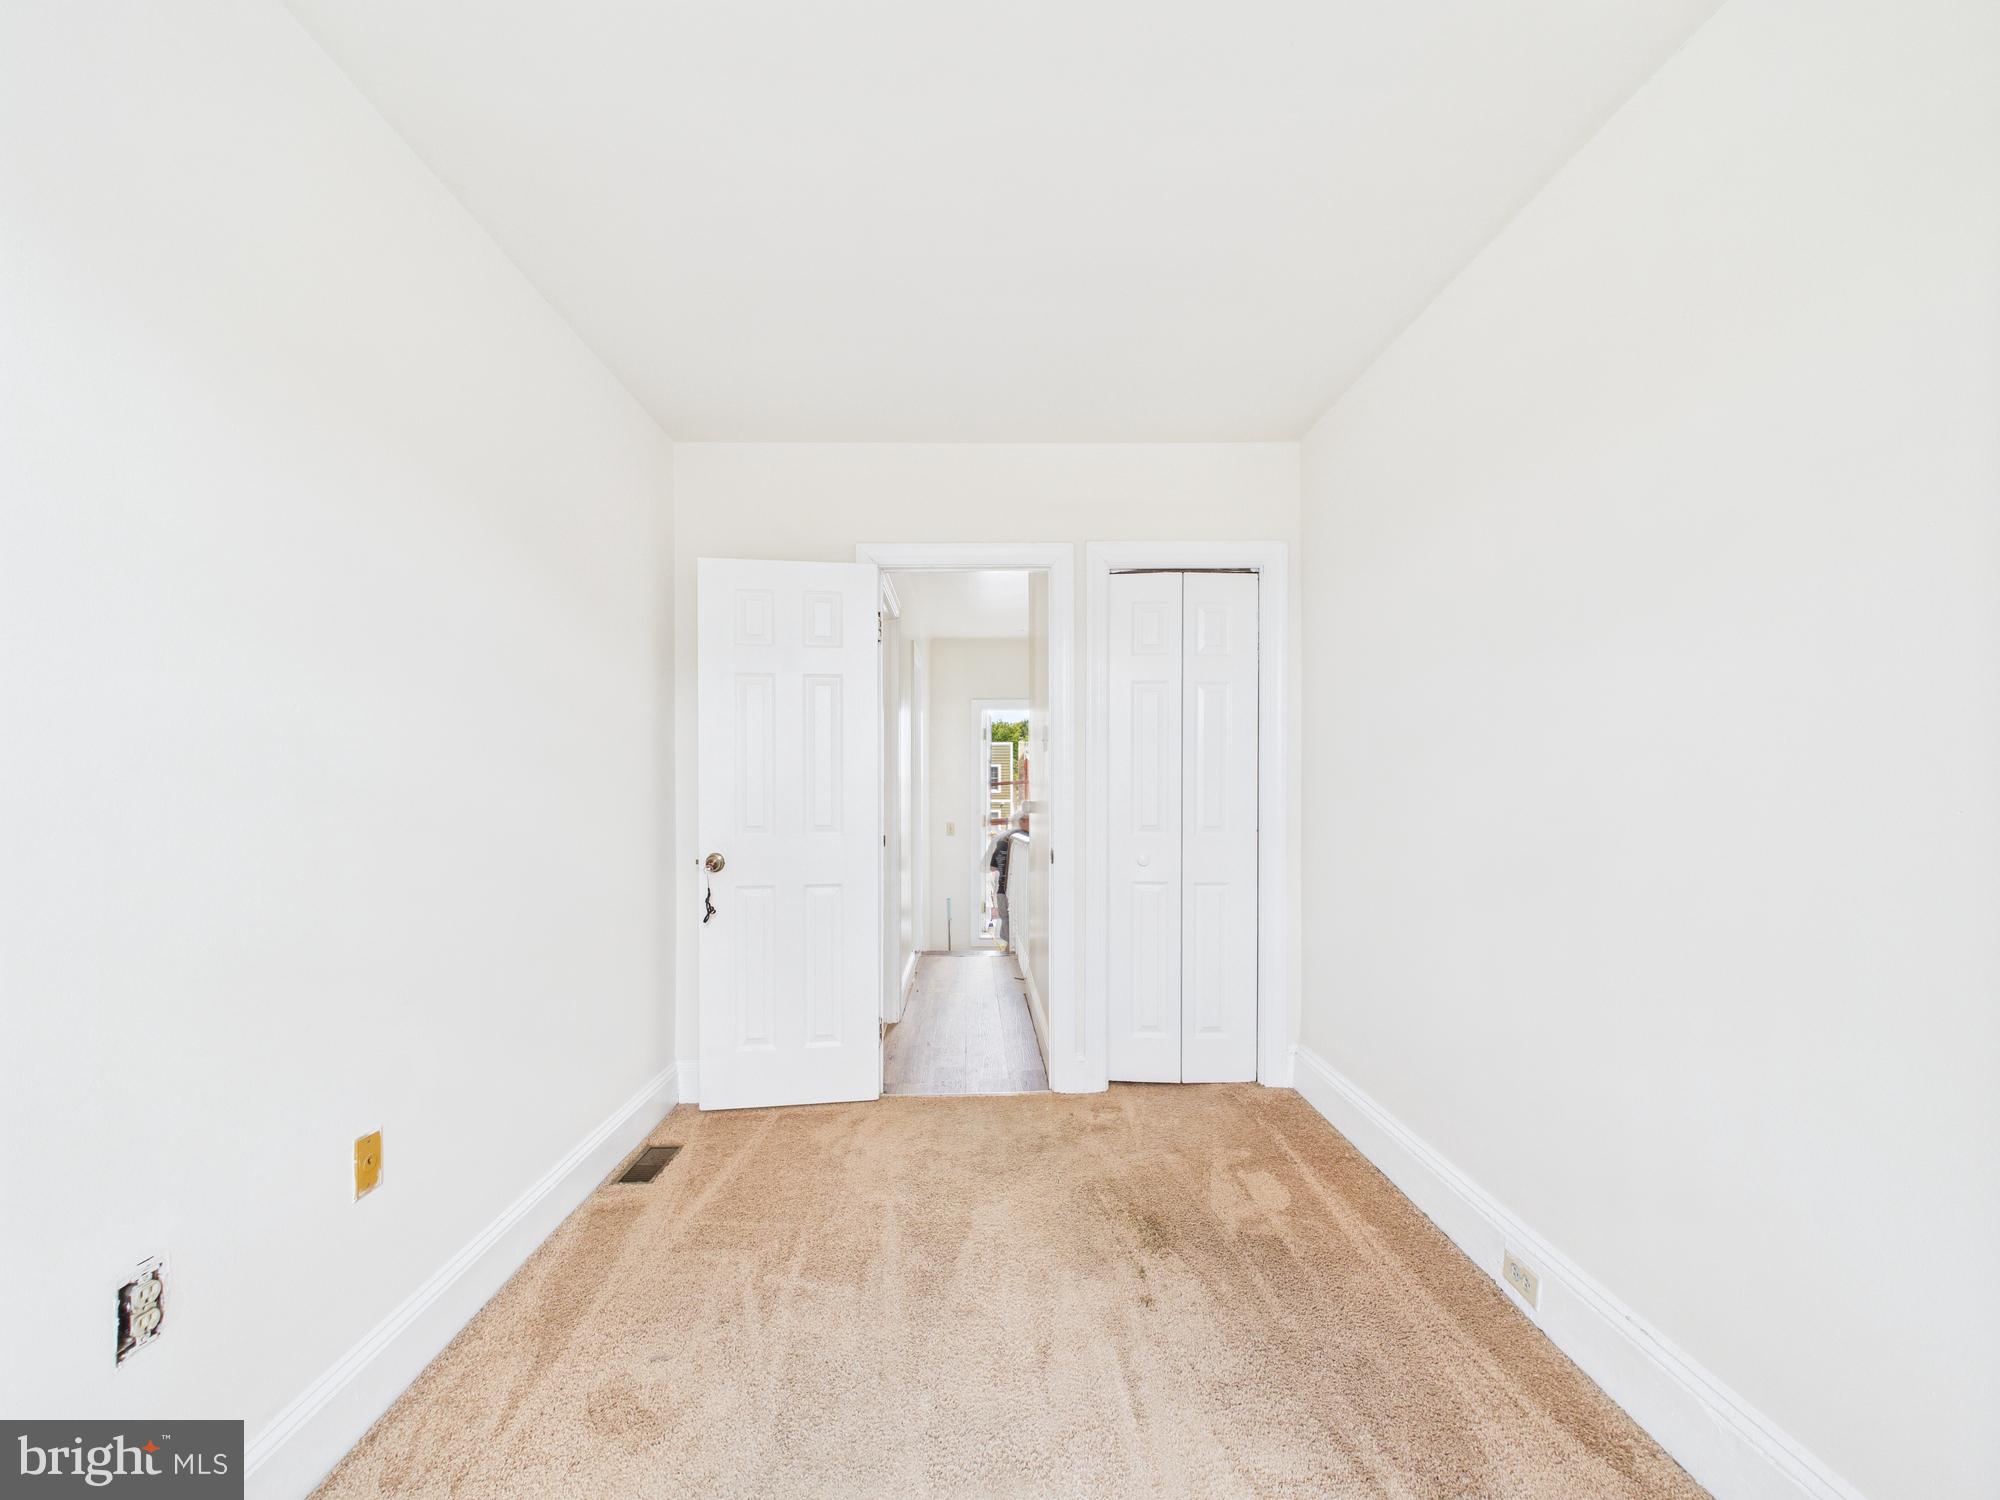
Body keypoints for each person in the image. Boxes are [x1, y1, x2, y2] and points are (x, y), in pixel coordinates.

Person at [986, 812, 1030, 950]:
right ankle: (1011, 954)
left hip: (1002, 890)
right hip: (1012, 891)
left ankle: (1009, 953)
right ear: (1023, 822)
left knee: (1008, 924)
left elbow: (992, 866)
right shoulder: (1024, 841)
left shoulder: (1002, 840)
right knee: (1016, 925)